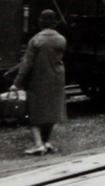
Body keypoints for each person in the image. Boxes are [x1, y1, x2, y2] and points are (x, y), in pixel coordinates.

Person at [8, 10, 68, 155]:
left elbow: (26, 64)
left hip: (39, 80)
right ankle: (47, 142)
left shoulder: (36, 40)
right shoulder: (61, 39)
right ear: (54, 23)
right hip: (57, 79)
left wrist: (16, 83)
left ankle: (38, 145)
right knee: (52, 112)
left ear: (40, 22)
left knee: (34, 113)